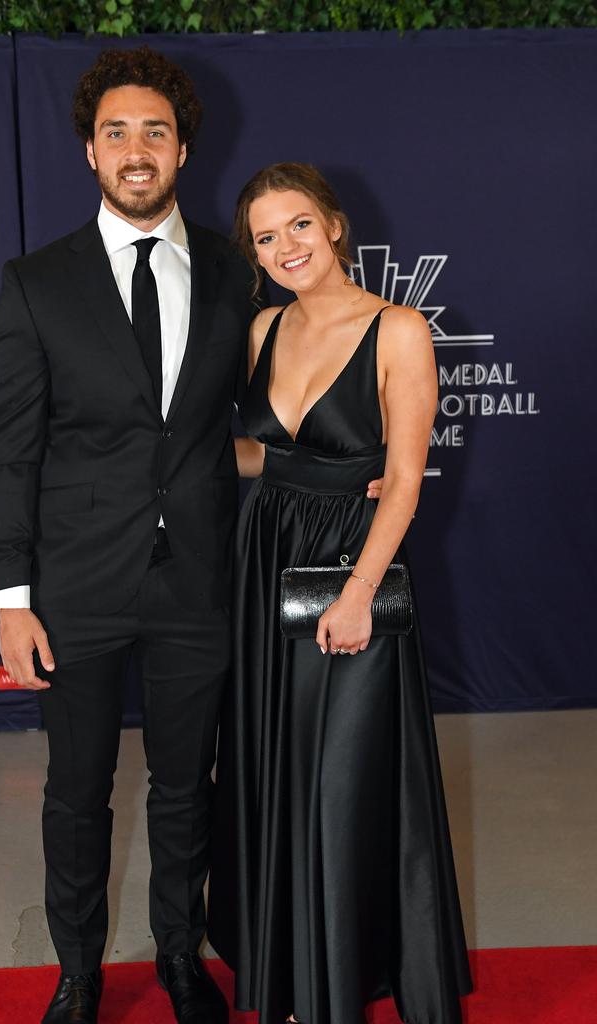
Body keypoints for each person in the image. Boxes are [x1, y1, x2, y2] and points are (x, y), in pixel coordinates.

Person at [0, 48, 384, 1024]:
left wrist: (341, 465)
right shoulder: (36, 283)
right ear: (89, 150)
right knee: (76, 795)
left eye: (155, 131)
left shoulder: (234, 272)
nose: (136, 149)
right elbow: (10, 455)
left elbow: (259, 423)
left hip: (200, 582)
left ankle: (176, 954)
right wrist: (10, 600)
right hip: (75, 587)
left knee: (184, 790)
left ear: (182, 147)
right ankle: (78, 972)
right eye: (116, 131)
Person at [208, 163, 472, 1024]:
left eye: (298, 226)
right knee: (273, 763)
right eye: (265, 236)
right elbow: (264, 455)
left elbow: (403, 480)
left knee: (341, 778)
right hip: (267, 556)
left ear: (334, 226)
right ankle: (290, 978)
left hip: (349, 567)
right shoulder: (262, 330)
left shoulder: (399, 329)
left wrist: (359, 593)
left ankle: (339, 983)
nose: (285, 247)